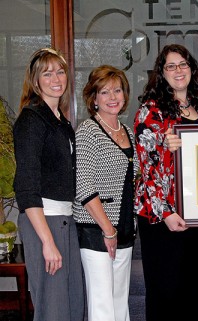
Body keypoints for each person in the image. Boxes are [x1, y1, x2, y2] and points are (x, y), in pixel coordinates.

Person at [134, 44, 198, 321]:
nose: (178, 70)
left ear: (191, 69)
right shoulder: (150, 112)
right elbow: (147, 168)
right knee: (166, 294)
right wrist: (166, 213)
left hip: (197, 214)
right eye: (171, 66)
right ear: (162, 73)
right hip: (163, 219)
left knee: (195, 293)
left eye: (183, 64)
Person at [13, 48, 84, 321]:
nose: (56, 78)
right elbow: (26, 187)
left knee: (73, 305)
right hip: (44, 223)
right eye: (47, 72)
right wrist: (47, 241)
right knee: (53, 310)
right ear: (35, 80)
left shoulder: (62, 123)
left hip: (65, 220)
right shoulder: (32, 119)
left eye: (60, 71)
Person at [73, 65, 139, 321]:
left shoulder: (128, 132)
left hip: (124, 227)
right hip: (96, 230)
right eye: (104, 92)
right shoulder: (88, 131)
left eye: (117, 90)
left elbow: (135, 180)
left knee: (120, 301)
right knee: (102, 306)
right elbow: (84, 187)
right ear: (94, 98)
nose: (113, 97)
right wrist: (107, 230)